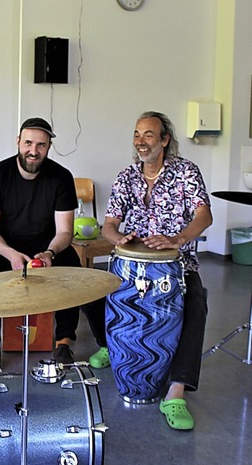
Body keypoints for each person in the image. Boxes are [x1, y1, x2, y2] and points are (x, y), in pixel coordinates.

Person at [92, 111, 212, 431]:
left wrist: (178, 238)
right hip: (131, 265)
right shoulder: (127, 176)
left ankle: (175, 392)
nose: (140, 142)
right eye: (136, 134)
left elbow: (204, 216)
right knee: (91, 288)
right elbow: (109, 225)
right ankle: (113, 347)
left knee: (196, 304)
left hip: (176, 263)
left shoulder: (186, 172)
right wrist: (118, 238)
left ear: (164, 140)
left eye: (148, 135)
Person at [0, 117, 88, 368]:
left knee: (72, 264)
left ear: (49, 147)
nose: (33, 151)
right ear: (18, 142)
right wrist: (10, 253)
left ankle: (63, 342)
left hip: (46, 248)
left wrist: (50, 253)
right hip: (5, 247)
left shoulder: (61, 177)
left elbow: (65, 232)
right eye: (28, 143)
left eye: (41, 145)